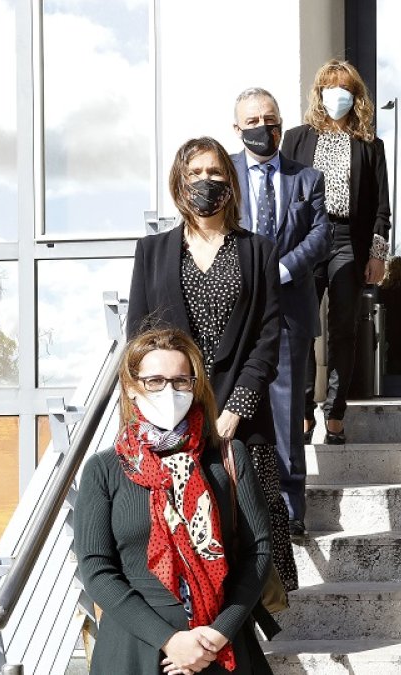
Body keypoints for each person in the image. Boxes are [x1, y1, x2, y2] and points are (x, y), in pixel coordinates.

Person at [127, 136, 297, 601]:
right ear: (179, 184)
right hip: (171, 420)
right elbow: (138, 341)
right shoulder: (152, 252)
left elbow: (267, 340)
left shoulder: (259, 251)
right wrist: (164, 407)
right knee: (182, 542)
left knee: (247, 544)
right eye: (195, 173)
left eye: (215, 172)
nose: (206, 181)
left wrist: (234, 411)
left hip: (239, 421)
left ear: (231, 181)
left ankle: (242, 629)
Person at [74, 327, 272, 675]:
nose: (170, 391)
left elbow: (259, 550)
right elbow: (96, 569)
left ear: (195, 387)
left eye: (181, 381)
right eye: (155, 381)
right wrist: (169, 640)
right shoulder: (104, 469)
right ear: (132, 387)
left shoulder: (228, 457)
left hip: (219, 646)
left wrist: (218, 633)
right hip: (133, 648)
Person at [230, 87, 331, 535]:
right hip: (235, 309)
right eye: (252, 121)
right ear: (237, 128)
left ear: (281, 123)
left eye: (269, 119)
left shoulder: (307, 178)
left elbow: (321, 237)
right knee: (233, 405)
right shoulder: (224, 174)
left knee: (288, 412)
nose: (262, 127)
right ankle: (240, 506)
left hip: (289, 307)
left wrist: (280, 271)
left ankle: (290, 510)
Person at [282, 60, 391, 445]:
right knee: (301, 325)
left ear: (356, 95)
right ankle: (302, 412)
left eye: (344, 87)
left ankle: (335, 412)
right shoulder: (296, 139)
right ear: (319, 93)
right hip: (306, 239)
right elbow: (284, 196)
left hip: (348, 240)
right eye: (330, 87)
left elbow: (381, 207)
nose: (337, 94)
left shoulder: (370, 144)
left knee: (344, 327)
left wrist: (378, 254)